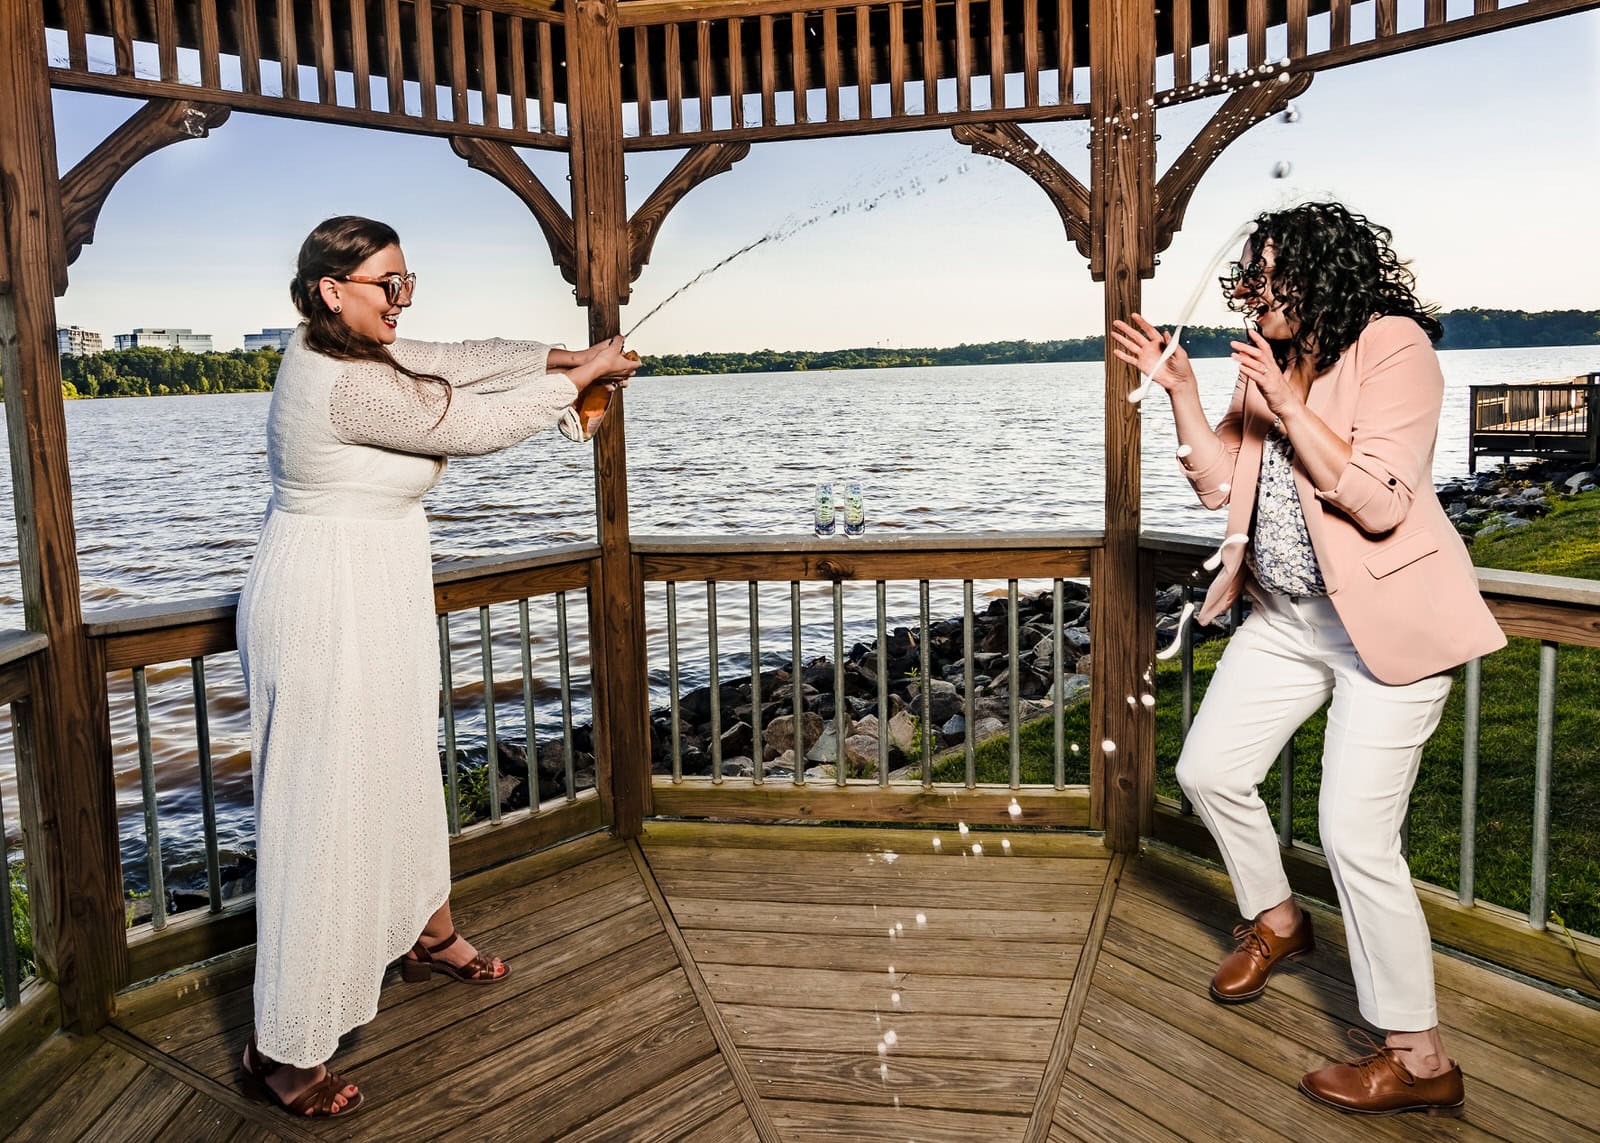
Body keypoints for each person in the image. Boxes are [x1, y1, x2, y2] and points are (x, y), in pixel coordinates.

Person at [235, 215, 637, 1118]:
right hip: (324, 601)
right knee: (324, 809)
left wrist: (567, 354)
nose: (402, 300)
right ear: (331, 289)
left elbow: (460, 360)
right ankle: (284, 1046)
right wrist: (578, 381)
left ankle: (426, 929)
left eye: (407, 282)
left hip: (376, 592)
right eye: (388, 284)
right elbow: (467, 420)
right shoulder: (340, 379)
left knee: (404, 768)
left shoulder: (360, 347)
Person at [1111, 201, 1504, 1117]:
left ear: (1322, 271)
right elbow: (1224, 486)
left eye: (1270, 276)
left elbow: (1380, 502)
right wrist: (1183, 393)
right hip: (1287, 619)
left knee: (1355, 836)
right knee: (1208, 771)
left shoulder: (1394, 346)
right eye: (1251, 277)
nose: (1254, 293)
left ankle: (1419, 1057)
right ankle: (1280, 920)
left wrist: (1288, 404)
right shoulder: (1268, 359)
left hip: (1386, 627)